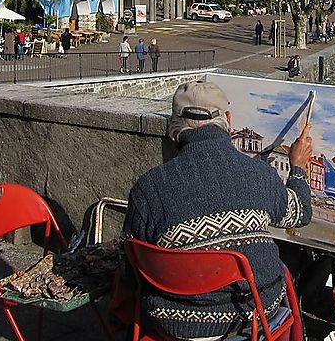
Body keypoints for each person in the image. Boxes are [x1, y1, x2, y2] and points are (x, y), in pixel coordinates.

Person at [122, 81, 312, 340]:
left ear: (173, 125)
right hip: (252, 316)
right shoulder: (259, 175)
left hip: (175, 322)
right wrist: (298, 167)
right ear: (228, 120)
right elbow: (300, 213)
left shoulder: (148, 188)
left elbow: (131, 263)